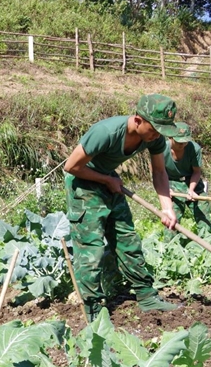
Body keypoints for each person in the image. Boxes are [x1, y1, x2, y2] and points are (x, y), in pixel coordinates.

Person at [63, 93, 180, 322]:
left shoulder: (153, 137)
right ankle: (92, 308)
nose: (158, 135)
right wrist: (107, 180)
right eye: (155, 129)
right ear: (138, 120)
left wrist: (167, 208)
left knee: (127, 238)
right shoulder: (106, 132)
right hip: (84, 183)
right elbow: (71, 166)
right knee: (91, 247)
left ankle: (146, 296)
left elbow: (159, 172)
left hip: (109, 179)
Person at [163, 122, 211, 234]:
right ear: (170, 137)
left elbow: (196, 172)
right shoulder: (162, 149)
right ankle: (169, 247)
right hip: (171, 182)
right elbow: (158, 172)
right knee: (172, 220)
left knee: (204, 217)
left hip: (191, 181)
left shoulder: (194, 148)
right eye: (178, 142)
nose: (182, 145)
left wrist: (191, 190)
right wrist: (165, 189)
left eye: (185, 142)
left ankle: (208, 243)